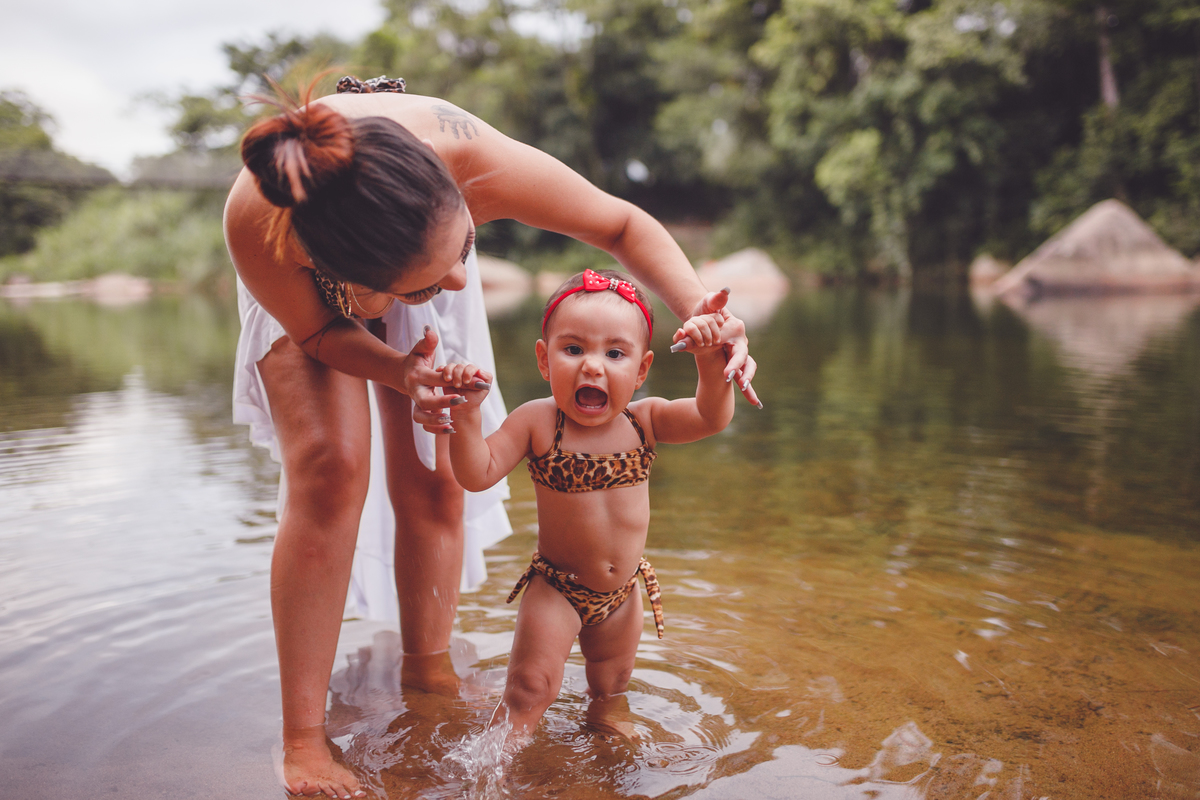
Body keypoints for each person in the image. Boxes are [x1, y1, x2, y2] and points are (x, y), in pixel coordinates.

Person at [223, 75, 759, 799]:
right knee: (330, 470)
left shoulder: (468, 157)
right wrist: (394, 369)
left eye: (465, 250)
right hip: (322, 302)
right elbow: (320, 333)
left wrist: (707, 317)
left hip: (410, 237)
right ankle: (304, 740)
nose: (452, 285)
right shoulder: (261, 223)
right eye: (423, 289)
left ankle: (428, 671)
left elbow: (622, 226)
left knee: (437, 472)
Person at [439, 268, 735, 745]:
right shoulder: (537, 421)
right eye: (573, 349)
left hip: (622, 595)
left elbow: (710, 416)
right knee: (530, 688)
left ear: (641, 370)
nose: (593, 366)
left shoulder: (646, 421)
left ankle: (603, 742)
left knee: (612, 685)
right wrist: (467, 414)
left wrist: (706, 360)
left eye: (615, 353)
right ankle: (498, 761)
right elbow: (478, 473)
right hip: (557, 588)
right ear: (543, 358)